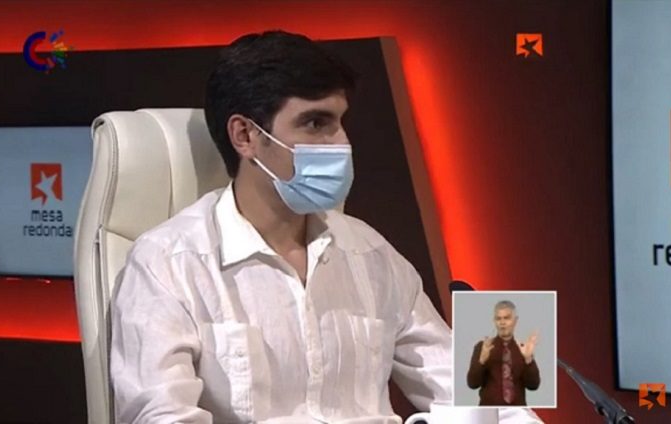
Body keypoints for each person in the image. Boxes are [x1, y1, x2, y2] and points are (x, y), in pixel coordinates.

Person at [110, 30, 543, 423]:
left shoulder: (371, 253)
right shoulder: (168, 263)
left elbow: (482, 398)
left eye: (340, 122)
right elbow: (161, 417)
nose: (341, 143)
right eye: (316, 123)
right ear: (245, 136)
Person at [467, 300, 541, 406]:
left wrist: (528, 359)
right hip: (489, 410)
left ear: (515, 321)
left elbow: (533, 386)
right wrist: (482, 361)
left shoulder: (523, 349)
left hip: (517, 411)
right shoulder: (483, 347)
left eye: (507, 318)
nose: (502, 322)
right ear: (494, 321)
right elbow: (472, 384)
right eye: (498, 318)